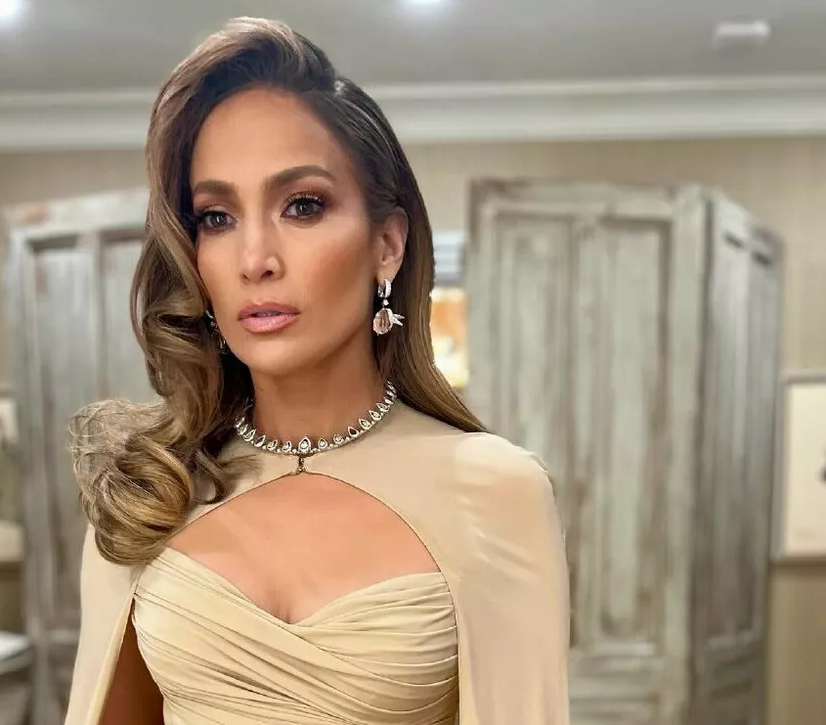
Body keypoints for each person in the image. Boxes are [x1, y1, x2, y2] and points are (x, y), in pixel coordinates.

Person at [65, 17, 569, 725]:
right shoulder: (153, 488)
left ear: (386, 244)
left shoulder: (496, 492)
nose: (255, 259)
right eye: (216, 217)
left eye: (302, 205)